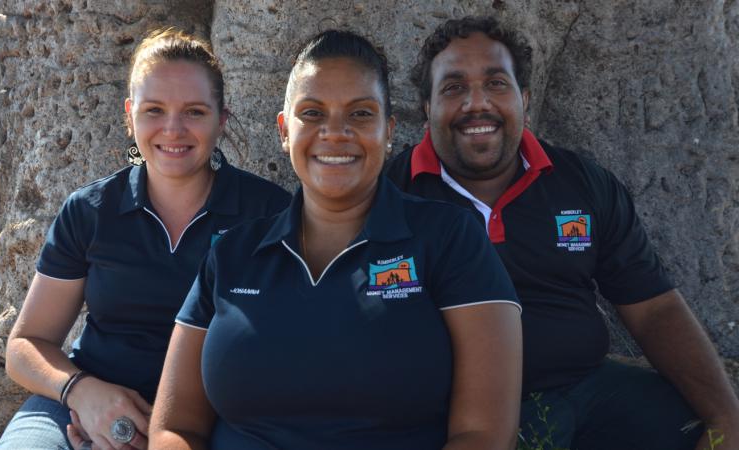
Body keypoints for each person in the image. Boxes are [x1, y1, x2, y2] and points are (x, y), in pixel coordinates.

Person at [149, 30, 523, 450]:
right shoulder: (233, 254)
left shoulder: (451, 239)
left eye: (361, 114)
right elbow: (175, 427)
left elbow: (485, 435)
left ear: (388, 130)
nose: (335, 132)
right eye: (312, 113)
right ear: (284, 130)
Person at [385, 15, 739, 450]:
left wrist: (725, 417)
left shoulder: (583, 183)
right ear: (426, 107)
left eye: (496, 83)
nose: (477, 103)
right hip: (462, 415)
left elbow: (653, 309)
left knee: (706, 430)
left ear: (525, 98)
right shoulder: (390, 198)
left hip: (588, 391)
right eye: (453, 87)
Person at [0, 28, 291, 450]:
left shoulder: (267, 213)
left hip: (218, 416)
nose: (173, 129)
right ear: (130, 115)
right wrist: (81, 392)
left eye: (194, 112)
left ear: (221, 120)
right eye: (154, 110)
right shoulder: (89, 211)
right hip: (85, 400)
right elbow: (25, 347)